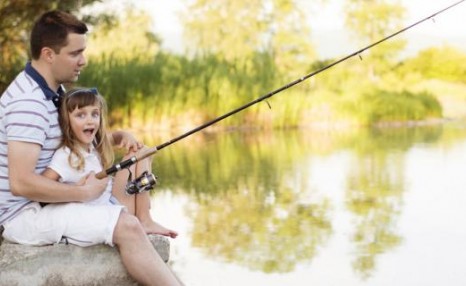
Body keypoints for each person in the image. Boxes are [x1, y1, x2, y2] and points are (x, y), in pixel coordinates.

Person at [0, 10, 182, 285]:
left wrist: (116, 136)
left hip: (52, 201)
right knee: (126, 226)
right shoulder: (28, 103)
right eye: (75, 53)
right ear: (49, 54)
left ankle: (144, 219)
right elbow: (21, 183)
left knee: (137, 159)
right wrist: (82, 193)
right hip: (25, 215)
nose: (83, 61)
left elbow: (66, 142)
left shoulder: (53, 93)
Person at [41, 87, 178, 238]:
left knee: (142, 151)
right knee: (142, 153)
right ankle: (144, 219)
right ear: (67, 121)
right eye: (80, 115)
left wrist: (125, 136)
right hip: (108, 213)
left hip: (113, 201)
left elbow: (115, 137)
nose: (89, 120)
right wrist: (76, 191)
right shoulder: (65, 156)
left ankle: (144, 218)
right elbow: (41, 187)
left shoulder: (94, 143)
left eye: (95, 114)